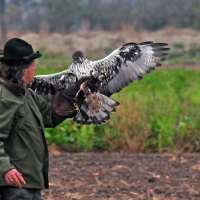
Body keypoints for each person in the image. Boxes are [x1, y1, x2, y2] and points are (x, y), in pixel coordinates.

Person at [0, 38, 90, 200]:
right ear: (20, 69)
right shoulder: (4, 98)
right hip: (13, 183)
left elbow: (51, 115)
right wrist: (5, 168)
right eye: (32, 64)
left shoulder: (27, 95)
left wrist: (76, 92)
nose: (35, 67)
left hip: (31, 180)